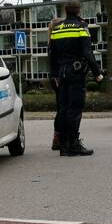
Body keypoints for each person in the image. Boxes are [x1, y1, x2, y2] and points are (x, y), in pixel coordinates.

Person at [49, 1, 103, 156]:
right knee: (75, 108)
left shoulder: (57, 28)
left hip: (61, 73)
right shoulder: (81, 27)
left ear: (66, 11)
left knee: (64, 108)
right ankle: (73, 144)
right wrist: (97, 73)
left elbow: (52, 53)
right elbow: (88, 52)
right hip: (76, 72)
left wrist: (54, 74)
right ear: (78, 11)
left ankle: (64, 145)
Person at [48, 16, 64, 150]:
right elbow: (54, 61)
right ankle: (58, 138)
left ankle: (57, 137)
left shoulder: (52, 41)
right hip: (58, 77)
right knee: (62, 108)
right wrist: (56, 76)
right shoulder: (56, 41)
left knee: (61, 108)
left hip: (56, 77)